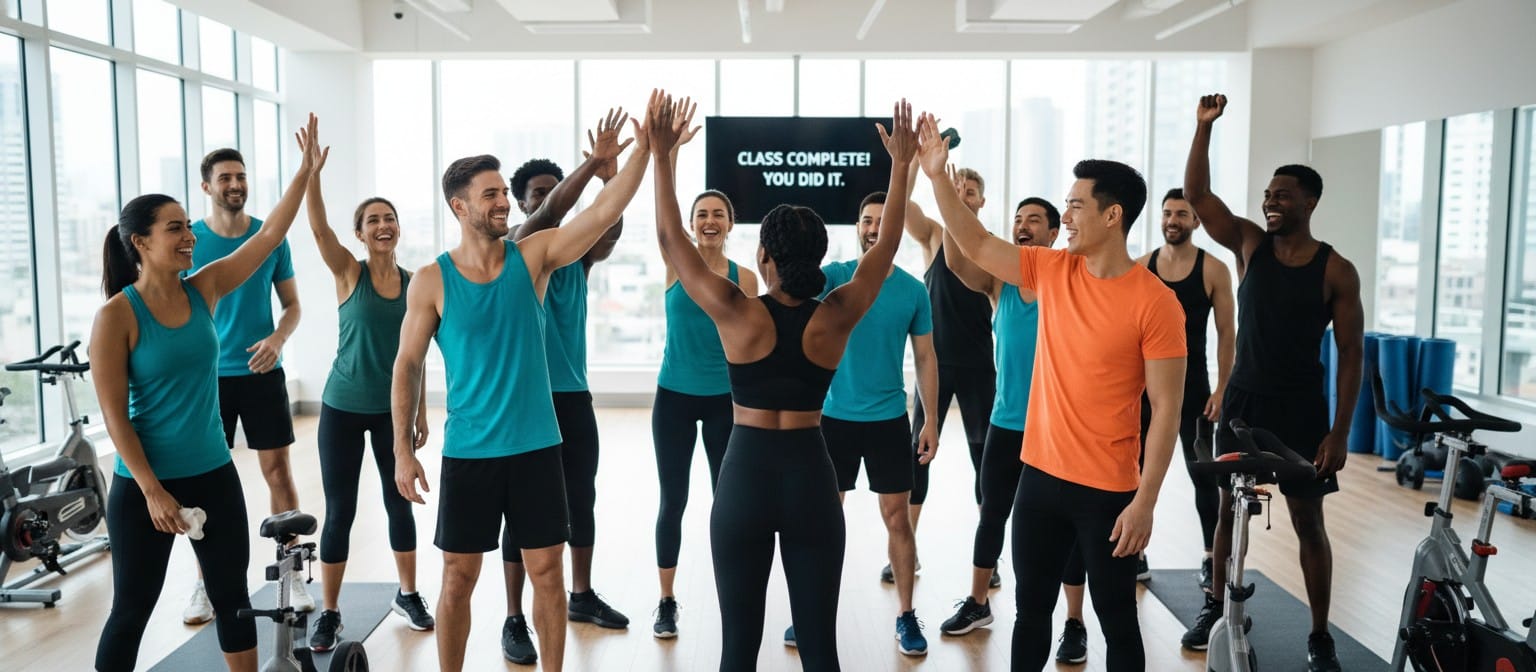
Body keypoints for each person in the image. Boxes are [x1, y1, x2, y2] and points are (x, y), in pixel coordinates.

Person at [652, 92, 918, 672]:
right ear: (822, 253)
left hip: (744, 476)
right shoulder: (837, 313)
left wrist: (663, 156)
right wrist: (901, 168)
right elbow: (889, 244)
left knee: (738, 649)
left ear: (763, 254)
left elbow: (674, 240)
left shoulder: (736, 309)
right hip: (810, 477)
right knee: (821, 645)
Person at [918, 113, 1187, 671]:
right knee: (1029, 613)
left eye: (1075, 207)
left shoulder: (1156, 302)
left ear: (1113, 216)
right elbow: (972, 242)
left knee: (1117, 620)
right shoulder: (1050, 270)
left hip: (1109, 492)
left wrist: (1146, 502)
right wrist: (936, 177)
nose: (1064, 218)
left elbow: (1166, 411)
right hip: (1039, 479)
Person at [391, 104, 650, 672]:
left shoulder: (532, 257)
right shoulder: (432, 280)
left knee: (547, 573)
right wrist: (402, 450)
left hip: (537, 447)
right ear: (459, 207)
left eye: (502, 194)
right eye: (489, 195)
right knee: (458, 578)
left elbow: (605, 210)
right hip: (469, 451)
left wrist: (646, 149)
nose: (502, 203)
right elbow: (407, 364)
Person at [90, 114, 322, 672]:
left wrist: (305, 175)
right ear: (140, 242)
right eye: (175, 229)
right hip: (146, 486)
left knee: (233, 601)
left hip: (213, 475)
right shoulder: (115, 316)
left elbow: (268, 237)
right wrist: (151, 491)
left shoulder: (206, 288)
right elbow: (115, 417)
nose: (189, 235)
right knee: (132, 610)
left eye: (187, 228)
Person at [1181, 94, 1363, 672]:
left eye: (1282, 195)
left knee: (1309, 520)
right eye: (1267, 194)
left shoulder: (1336, 270)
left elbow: (1353, 357)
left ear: (1310, 201)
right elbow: (1198, 198)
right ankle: (1216, 605)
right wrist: (1203, 128)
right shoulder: (1250, 244)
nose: (1270, 202)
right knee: (1228, 515)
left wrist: (1338, 433)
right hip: (1244, 403)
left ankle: (1319, 635)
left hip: (1303, 410)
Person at [497, 114, 635, 665]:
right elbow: (550, 215)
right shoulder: (513, 247)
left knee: (582, 498)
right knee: (520, 512)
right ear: (521, 201)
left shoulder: (574, 255)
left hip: (573, 397)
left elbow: (613, 226)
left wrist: (611, 173)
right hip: (526, 400)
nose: (546, 201)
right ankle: (513, 616)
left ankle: (580, 595)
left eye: (551, 193)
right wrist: (594, 166)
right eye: (536, 195)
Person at [937, 192, 1093, 666]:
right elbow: (958, 261)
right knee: (991, 513)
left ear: (1052, 233)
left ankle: (1073, 622)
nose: (1023, 225)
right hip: (1007, 424)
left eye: (1034, 220)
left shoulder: (1068, 281)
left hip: (1059, 428)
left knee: (1065, 528)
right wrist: (956, 208)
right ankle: (979, 602)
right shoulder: (1000, 284)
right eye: (1018, 219)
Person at [783, 190, 938, 656]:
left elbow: (926, 356)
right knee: (822, 521)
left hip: (889, 420)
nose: (874, 228)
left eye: (881, 221)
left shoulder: (912, 289)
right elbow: (785, 298)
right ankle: (810, 615)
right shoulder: (833, 279)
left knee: (898, 519)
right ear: (857, 226)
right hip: (832, 420)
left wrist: (929, 419)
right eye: (867, 220)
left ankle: (906, 616)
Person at [301, 145, 435, 652]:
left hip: (390, 413)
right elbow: (318, 231)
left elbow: (418, 357)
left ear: (398, 229)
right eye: (372, 220)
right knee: (341, 511)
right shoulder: (348, 274)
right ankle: (330, 612)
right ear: (360, 233)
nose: (383, 225)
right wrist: (312, 175)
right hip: (340, 407)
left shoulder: (415, 283)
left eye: (389, 219)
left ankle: (408, 593)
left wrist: (419, 413)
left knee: (399, 503)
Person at [182, 144, 310, 621]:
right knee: (203, 485)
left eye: (240, 176)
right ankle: (203, 585)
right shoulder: (189, 241)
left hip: (261, 373)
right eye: (224, 178)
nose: (235, 184)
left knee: (278, 473)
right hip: (205, 381)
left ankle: (291, 570)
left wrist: (278, 338)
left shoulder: (269, 238)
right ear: (206, 187)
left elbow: (293, 305)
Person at [652, 176, 760, 639]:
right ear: (691, 225)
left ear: (731, 223)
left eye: (718, 214)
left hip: (725, 401)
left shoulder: (745, 278)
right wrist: (665, 156)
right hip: (673, 398)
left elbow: (756, 343)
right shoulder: (676, 264)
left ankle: (731, 596)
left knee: (728, 502)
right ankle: (666, 600)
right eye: (702, 214)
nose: (709, 221)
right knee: (673, 500)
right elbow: (664, 219)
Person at [893, 160, 996, 584]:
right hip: (933, 365)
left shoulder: (992, 247)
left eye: (970, 191)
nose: (963, 195)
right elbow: (902, 212)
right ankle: (908, 550)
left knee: (984, 462)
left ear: (982, 200)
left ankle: (986, 562)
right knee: (919, 458)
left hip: (978, 368)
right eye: (957, 189)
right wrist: (915, 165)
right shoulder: (935, 235)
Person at [1134, 188, 1235, 592]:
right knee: (1134, 470)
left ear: (1195, 221)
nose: (1172, 220)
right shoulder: (1143, 266)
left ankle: (1212, 556)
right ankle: (1135, 551)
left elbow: (1227, 332)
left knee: (1201, 474)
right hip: (1143, 386)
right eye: (1167, 213)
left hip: (1194, 388)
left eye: (1181, 213)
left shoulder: (1213, 269)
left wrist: (1223, 387)